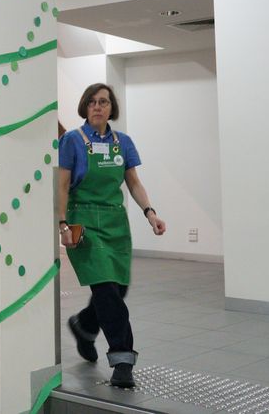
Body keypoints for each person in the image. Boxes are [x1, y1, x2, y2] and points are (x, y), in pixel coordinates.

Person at [56, 83, 166, 389]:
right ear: (84, 106)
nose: (97, 107)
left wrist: (150, 213)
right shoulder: (71, 141)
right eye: (91, 102)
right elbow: (62, 186)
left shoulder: (124, 142)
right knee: (106, 290)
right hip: (85, 224)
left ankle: (84, 326)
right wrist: (62, 224)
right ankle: (122, 359)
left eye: (103, 102)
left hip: (116, 224)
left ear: (111, 108)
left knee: (119, 289)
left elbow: (133, 182)